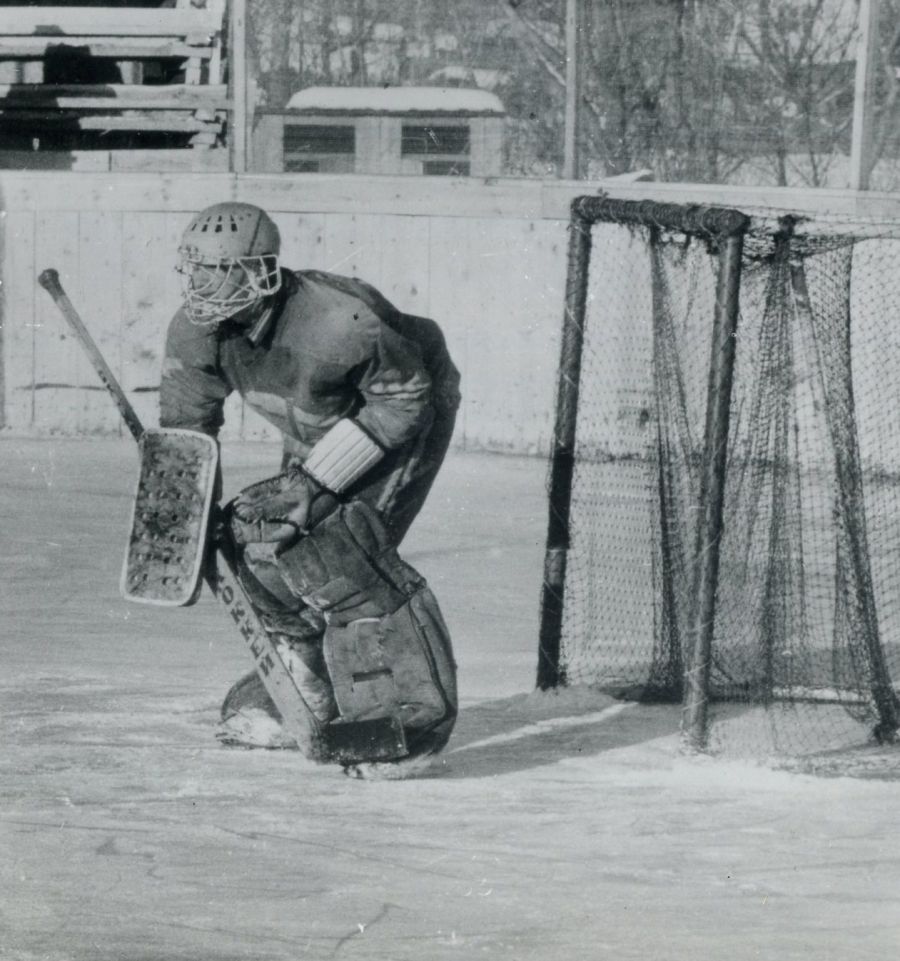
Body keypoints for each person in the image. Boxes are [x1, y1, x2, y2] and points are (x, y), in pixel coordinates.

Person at [159, 201, 460, 762]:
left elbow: (405, 400)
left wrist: (316, 482)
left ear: (259, 271)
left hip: (403, 404)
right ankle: (304, 683)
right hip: (321, 421)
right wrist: (184, 516)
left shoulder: (339, 322)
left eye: (217, 270)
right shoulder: (195, 329)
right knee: (256, 534)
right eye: (195, 267)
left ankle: (404, 719)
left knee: (345, 550)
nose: (200, 282)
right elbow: (187, 431)